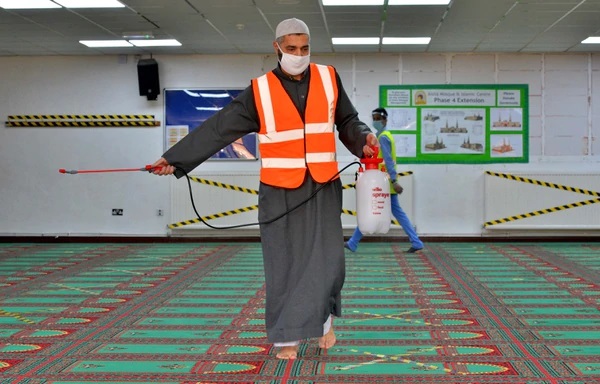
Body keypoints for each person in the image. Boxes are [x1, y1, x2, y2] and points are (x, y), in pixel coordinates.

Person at [151, 18, 378, 360]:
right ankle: (286, 335)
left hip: (323, 184)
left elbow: (347, 121)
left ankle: (323, 324)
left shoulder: (329, 77)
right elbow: (218, 128)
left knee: (328, 261)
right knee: (284, 262)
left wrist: (363, 139)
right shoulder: (260, 90)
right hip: (279, 189)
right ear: (277, 48)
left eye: (304, 48)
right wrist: (175, 158)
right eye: (291, 49)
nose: (298, 55)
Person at [345, 107, 424, 253]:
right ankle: (353, 242)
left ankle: (353, 242)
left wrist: (394, 181)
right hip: (383, 180)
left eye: (378, 118)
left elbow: (387, 160)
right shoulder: (381, 136)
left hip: (384, 181)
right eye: (373, 118)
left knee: (373, 208)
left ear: (385, 120)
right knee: (376, 208)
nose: (375, 121)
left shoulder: (383, 138)